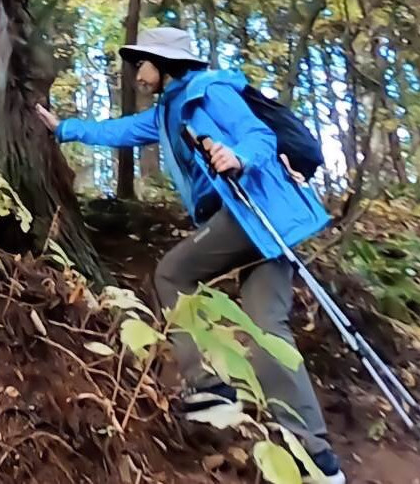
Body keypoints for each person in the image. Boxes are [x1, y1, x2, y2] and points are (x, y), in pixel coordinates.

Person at [35, 27, 345, 484]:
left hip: (250, 211)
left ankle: (208, 387)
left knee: (171, 275)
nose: (137, 74)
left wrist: (237, 158)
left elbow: (257, 136)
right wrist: (64, 129)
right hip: (262, 226)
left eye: (142, 63)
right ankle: (316, 457)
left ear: (164, 65)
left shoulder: (208, 90)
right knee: (268, 330)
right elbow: (120, 131)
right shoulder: (166, 113)